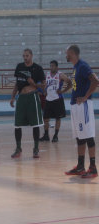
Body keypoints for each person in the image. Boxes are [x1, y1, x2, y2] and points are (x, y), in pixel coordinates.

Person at [65, 45, 99, 178]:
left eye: (67, 53)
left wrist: (85, 97)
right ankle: (80, 166)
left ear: (72, 53)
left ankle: (93, 167)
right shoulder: (76, 67)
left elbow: (95, 81)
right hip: (75, 106)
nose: (66, 56)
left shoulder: (83, 66)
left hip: (83, 105)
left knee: (88, 135)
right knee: (80, 136)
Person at [10, 49, 45, 159]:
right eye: (24, 55)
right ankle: (18, 148)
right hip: (21, 97)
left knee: (35, 124)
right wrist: (13, 97)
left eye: (27, 56)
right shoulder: (19, 67)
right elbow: (17, 84)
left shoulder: (38, 68)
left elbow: (44, 85)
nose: (25, 58)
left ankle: (35, 149)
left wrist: (34, 84)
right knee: (17, 124)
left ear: (31, 56)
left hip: (32, 97)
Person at [40, 60, 72, 142]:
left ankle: (55, 135)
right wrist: (44, 91)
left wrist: (63, 91)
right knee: (45, 118)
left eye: (53, 66)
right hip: (48, 99)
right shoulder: (47, 74)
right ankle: (46, 135)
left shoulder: (60, 75)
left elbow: (70, 83)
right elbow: (45, 84)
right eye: (50, 65)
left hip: (57, 99)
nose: (51, 67)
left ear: (57, 67)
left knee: (58, 118)